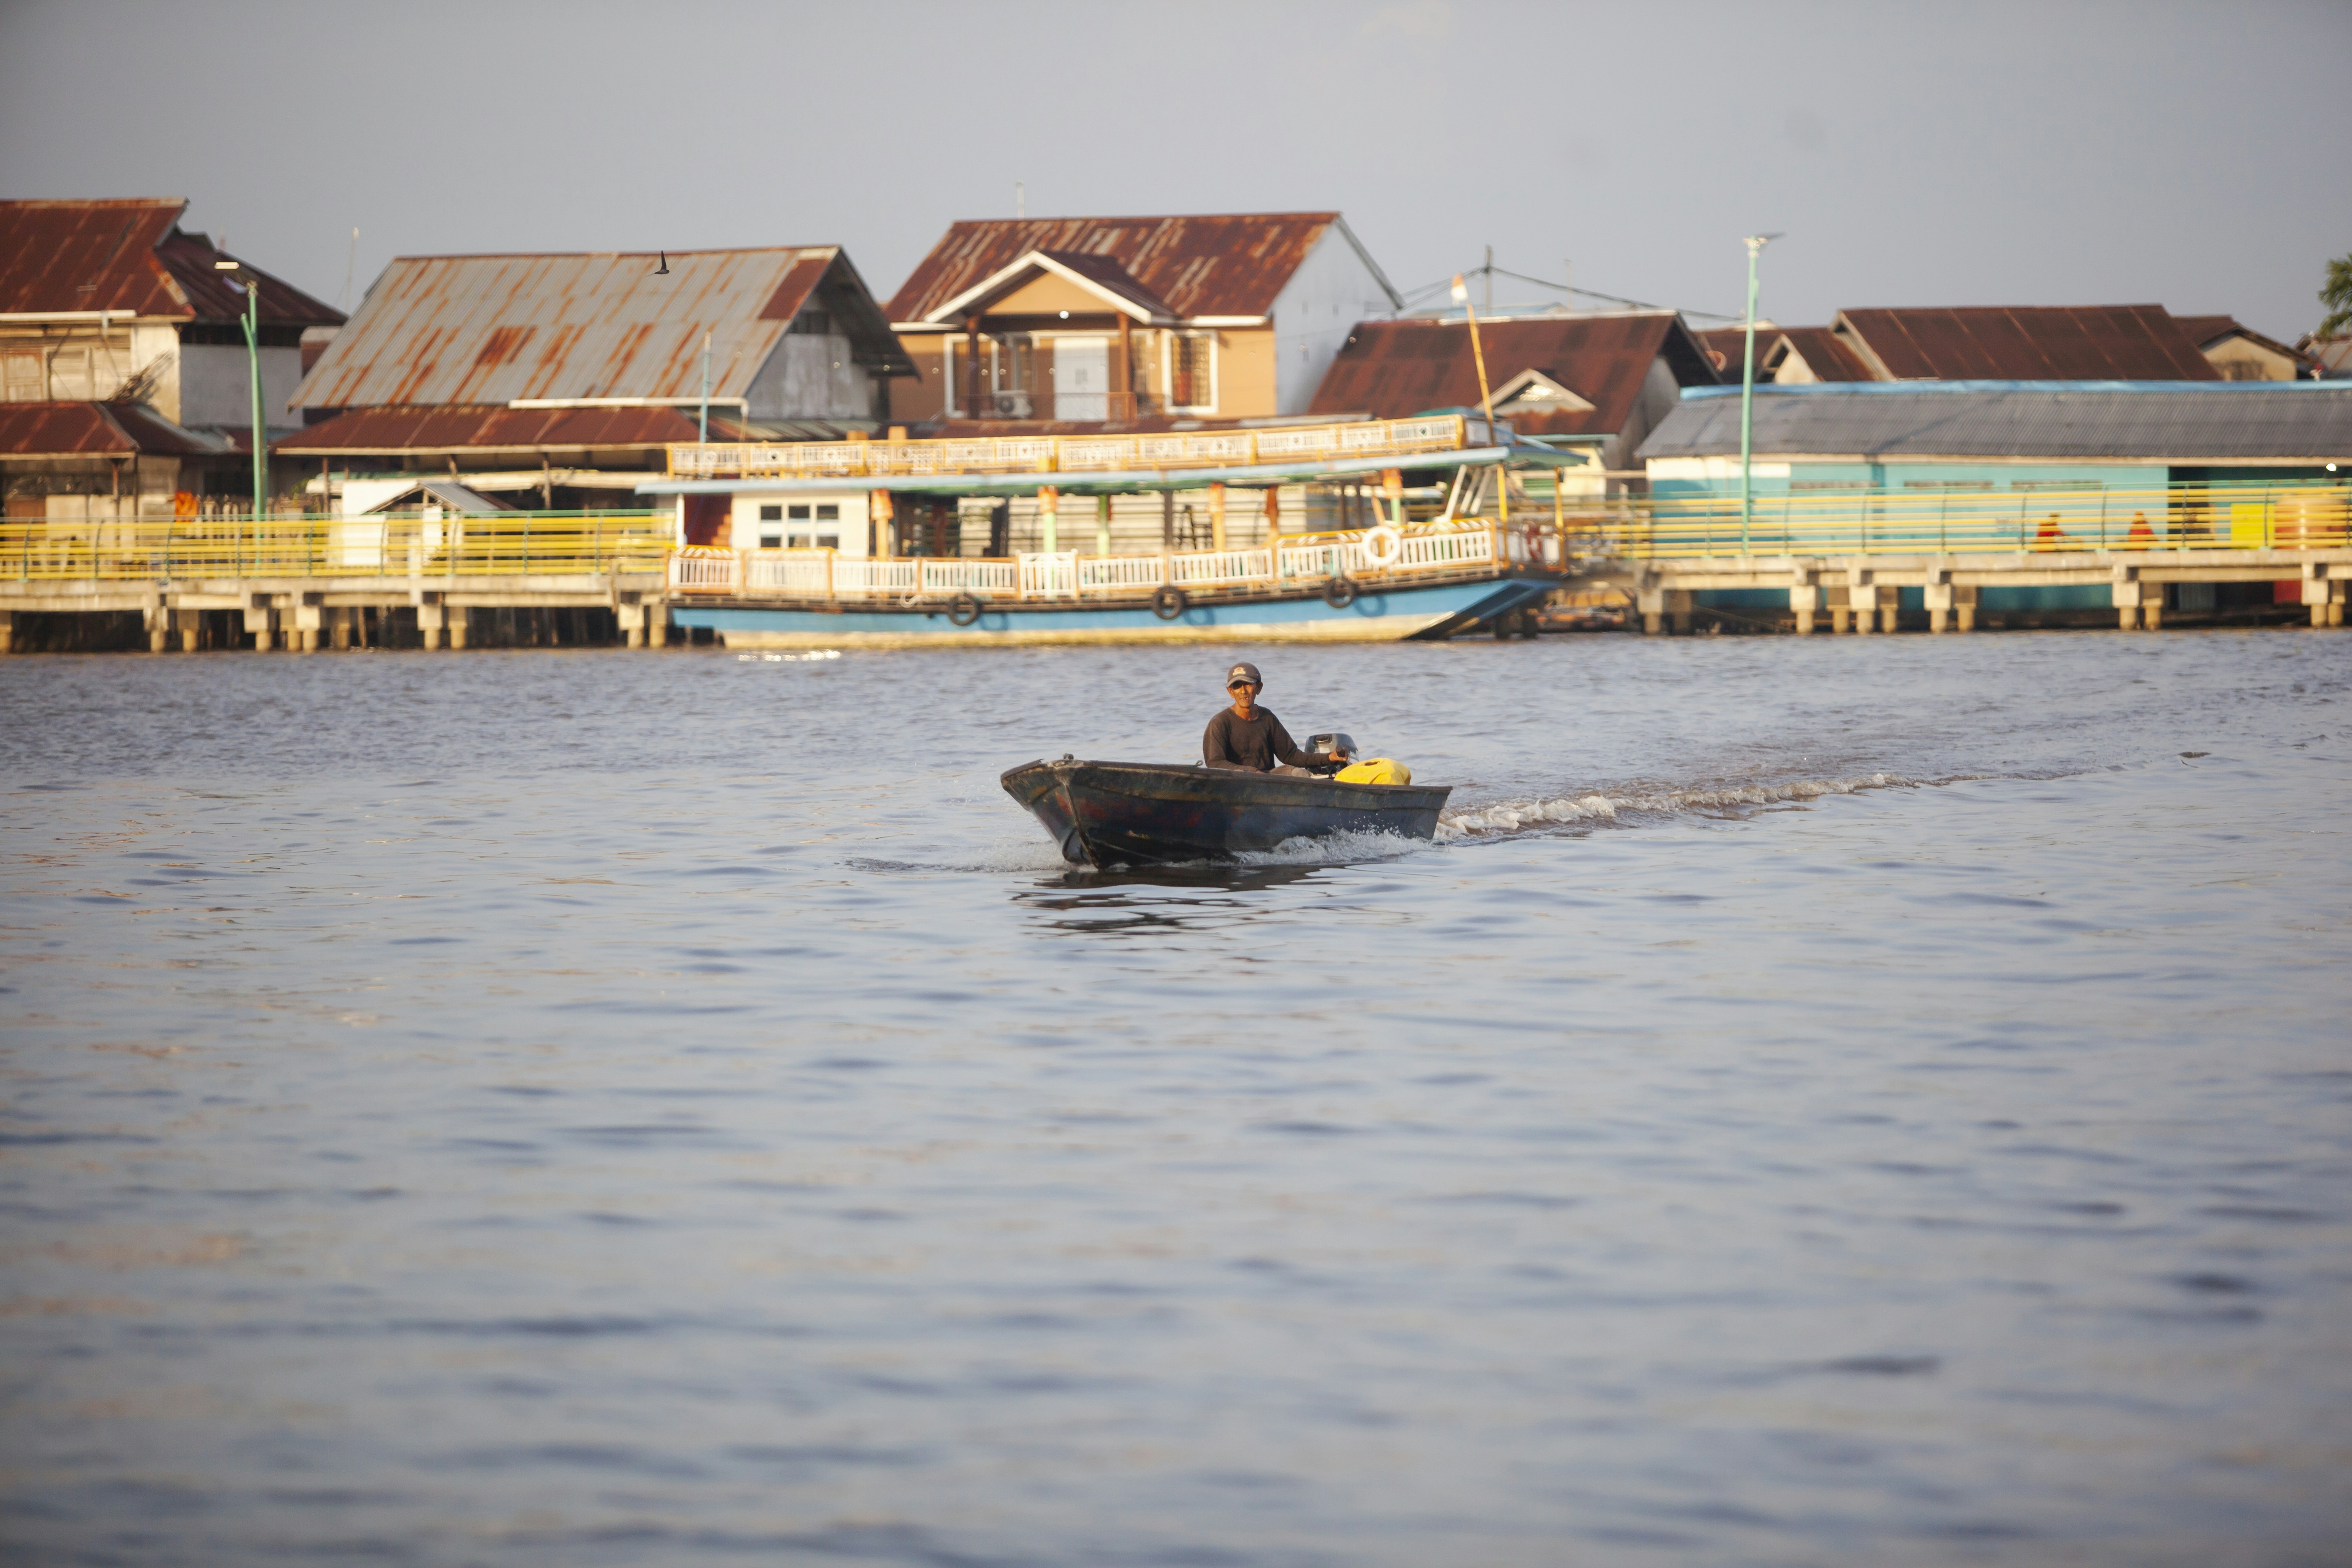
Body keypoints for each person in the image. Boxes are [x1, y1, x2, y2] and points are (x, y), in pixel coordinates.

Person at [1203, 662, 1338, 774]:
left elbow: (1291, 755)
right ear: (1230, 691)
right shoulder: (1220, 723)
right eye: (1237, 686)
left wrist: (1329, 758)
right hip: (1237, 783)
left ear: (1259, 688)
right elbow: (1215, 763)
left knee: (1300, 773)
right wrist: (1251, 772)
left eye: (1248, 684)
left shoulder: (1267, 718)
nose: (1243, 691)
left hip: (1269, 781)